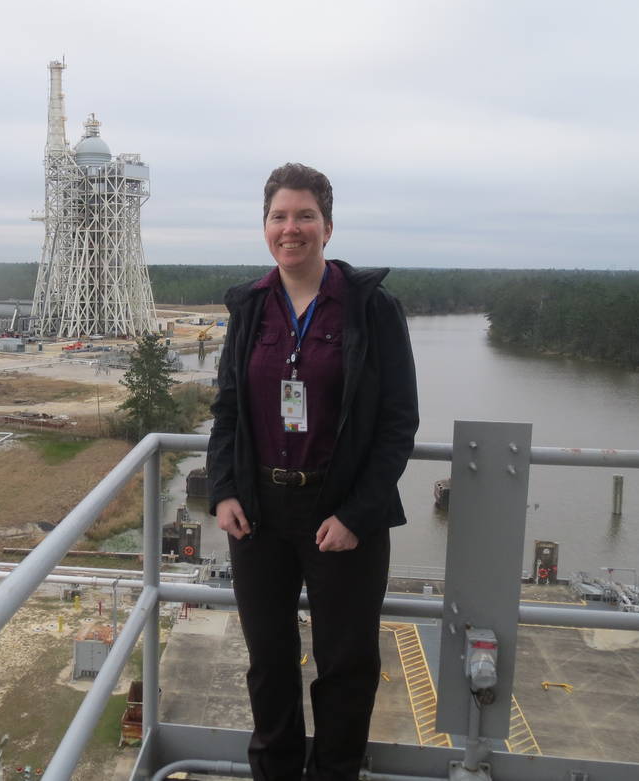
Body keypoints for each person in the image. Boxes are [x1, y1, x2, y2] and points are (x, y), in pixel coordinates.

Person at [207, 162, 419, 780]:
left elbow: (397, 423)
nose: (290, 228)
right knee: (269, 663)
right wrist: (223, 491)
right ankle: (273, 772)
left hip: (342, 514)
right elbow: (227, 410)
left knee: (346, 665)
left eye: (304, 216)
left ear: (328, 225)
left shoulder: (369, 308)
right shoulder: (250, 307)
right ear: (265, 225)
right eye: (278, 216)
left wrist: (357, 514)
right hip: (260, 515)